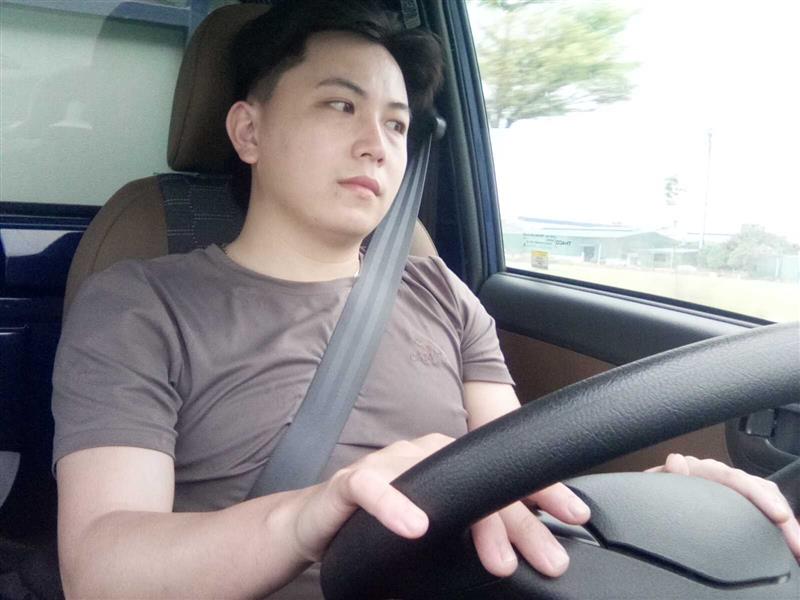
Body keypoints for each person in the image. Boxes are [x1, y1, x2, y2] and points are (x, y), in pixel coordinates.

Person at [51, 1, 800, 598]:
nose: (378, 144)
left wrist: (661, 514)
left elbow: (515, 479)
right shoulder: (140, 301)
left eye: (397, 123)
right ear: (249, 130)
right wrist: (307, 516)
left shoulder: (442, 292)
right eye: (340, 105)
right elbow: (103, 568)